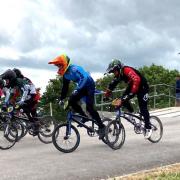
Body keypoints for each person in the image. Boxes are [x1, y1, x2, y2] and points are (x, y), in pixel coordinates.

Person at [48, 54, 105, 139]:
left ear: (64, 63)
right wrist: (62, 99)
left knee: (89, 107)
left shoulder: (75, 68)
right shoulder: (65, 75)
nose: (58, 67)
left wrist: (77, 89)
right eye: (57, 66)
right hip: (81, 87)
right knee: (71, 100)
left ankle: (102, 127)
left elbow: (84, 78)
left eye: (59, 65)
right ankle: (84, 116)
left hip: (89, 85)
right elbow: (65, 87)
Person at [104, 59, 152, 139]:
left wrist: (131, 93)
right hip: (133, 85)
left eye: (114, 71)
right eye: (112, 72)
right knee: (122, 99)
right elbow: (111, 85)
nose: (114, 73)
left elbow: (137, 79)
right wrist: (106, 95)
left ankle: (148, 127)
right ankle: (131, 113)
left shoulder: (126, 70)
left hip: (142, 87)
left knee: (143, 108)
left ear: (119, 68)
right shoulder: (118, 75)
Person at [0, 69, 39, 135]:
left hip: (32, 95)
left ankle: (34, 124)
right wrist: (7, 101)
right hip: (28, 96)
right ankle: (31, 121)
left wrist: (22, 100)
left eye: (7, 80)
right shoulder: (14, 83)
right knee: (18, 107)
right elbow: (12, 93)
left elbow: (26, 91)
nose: (6, 82)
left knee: (23, 108)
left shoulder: (19, 81)